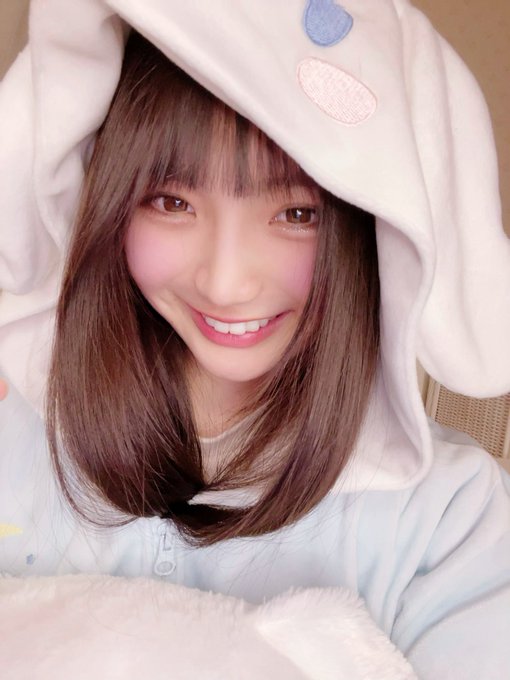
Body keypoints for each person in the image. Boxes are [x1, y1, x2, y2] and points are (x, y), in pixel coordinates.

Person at [0, 1, 509, 677]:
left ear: (370, 229)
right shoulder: (16, 435)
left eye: (295, 213)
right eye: (173, 202)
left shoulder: (450, 523)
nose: (226, 282)